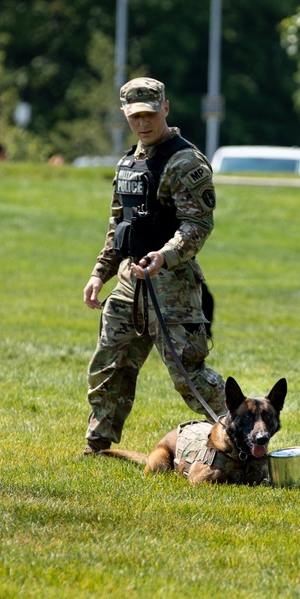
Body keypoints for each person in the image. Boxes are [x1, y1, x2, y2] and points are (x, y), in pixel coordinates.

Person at [82, 77, 226, 455]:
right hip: (130, 282)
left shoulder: (185, 161)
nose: (143, 124)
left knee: (189, 375)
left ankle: (244, 437)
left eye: (149, 114)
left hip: (171, 285)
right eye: (135, 117)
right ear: (124, 115)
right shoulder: (129, 162)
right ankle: (97, 446)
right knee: (110, 362)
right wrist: (100, 273)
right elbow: (119, 226)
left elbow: (198, 225)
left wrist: (165, 255)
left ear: (165, 108)